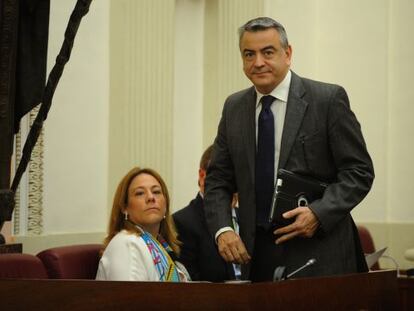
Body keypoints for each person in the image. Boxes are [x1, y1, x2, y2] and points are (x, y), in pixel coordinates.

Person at [203, 17, 374, 282]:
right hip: (256, 258)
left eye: (267, 52)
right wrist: (223, 229)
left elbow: (359, 171)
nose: (258, 62)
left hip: (320, 257)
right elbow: (217, 180)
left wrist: (319, 213)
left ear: (288, 53)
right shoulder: (234, 108)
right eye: (249, 54)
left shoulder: (326, 100)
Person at [96, 167, 190, 282]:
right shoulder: (128, 244)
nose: (151, 197)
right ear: (124, 208)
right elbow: (130, 299)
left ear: (166, 204)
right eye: (140, 193)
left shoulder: (162, 246)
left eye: (156, 192)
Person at [173, 145, 240, 282]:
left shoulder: (247, 218)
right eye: (225, 177)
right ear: (202, 176)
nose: (233, 185)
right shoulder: (182, 222)